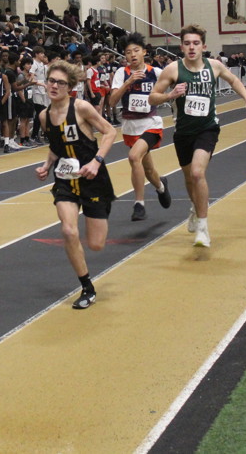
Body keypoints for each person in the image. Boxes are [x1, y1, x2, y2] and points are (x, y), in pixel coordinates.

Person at [148, 25, 246, 248]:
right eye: (187, 43)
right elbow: (152, 98)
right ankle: (195, 207)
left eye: (196, 43)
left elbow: (233, 80)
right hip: (183, 132)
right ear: (181, 46)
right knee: (190, 178)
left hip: (207, 128)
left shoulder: (214, 66)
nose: (191, 47)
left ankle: (203, 228)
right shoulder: (172, 69)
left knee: (198, 173)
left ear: (203, 46)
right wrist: (170, 95)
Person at [35, 60, 116, 309]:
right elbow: (56, 146)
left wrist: (96, 162)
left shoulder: (81, 108)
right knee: (69, 231)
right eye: (51, 81)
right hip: (65, 180)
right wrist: (47, 165)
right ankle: (87, 288)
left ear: (70, 87)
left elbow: (110, 132)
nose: (54, 86)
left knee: (96, 244)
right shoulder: (44, 116)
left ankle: (101, 209)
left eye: (60, 83)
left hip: (92, 179)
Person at [109, 32, 171, 221]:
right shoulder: (122, 73)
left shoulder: (156, 73)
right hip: (130, 126)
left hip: (151, 123)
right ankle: (161, 186)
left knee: (134, 157)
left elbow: (174, 85)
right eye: (128, 52)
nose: (132, 55)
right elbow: (112, 102)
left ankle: (139, 204)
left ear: (144, 52)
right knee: (148, 169)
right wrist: (128, 82)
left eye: (136, 51)